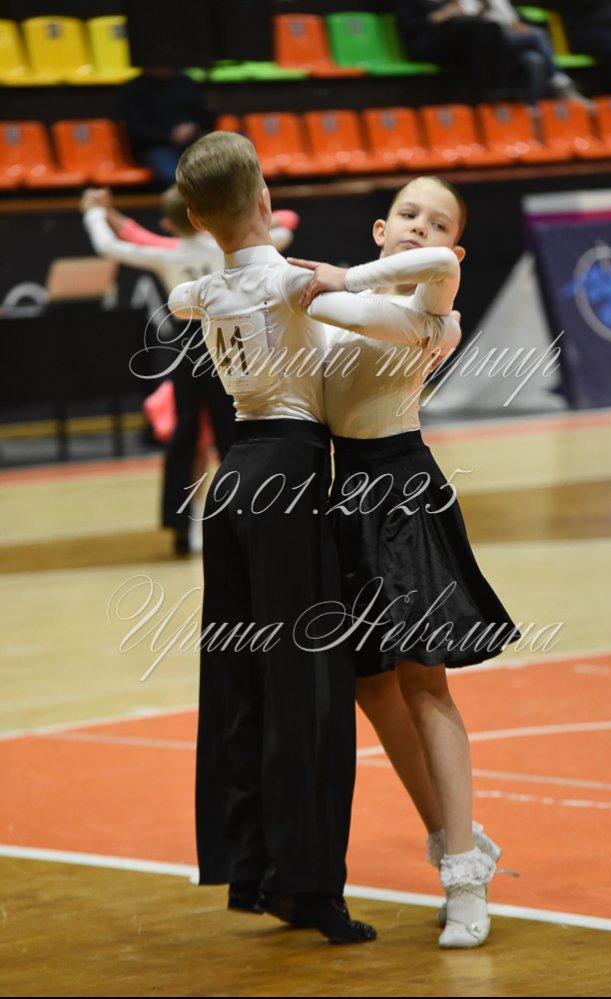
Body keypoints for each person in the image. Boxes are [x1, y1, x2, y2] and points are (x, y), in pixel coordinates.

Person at [167, 132, 465, 944]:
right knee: (311, 690)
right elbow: (402, 289)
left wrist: (218, 269)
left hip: (231, 481)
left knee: (240, 681)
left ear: (196, 218)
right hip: (290, 479)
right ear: (267, 201)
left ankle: (252, 869)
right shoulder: (291, 281)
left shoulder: (206, 290)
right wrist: (341, 277)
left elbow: (183, 297)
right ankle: (309, 887)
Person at [290, 176, 520, 948]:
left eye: (439, 222)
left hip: (403, 495)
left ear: (455, 248)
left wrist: (329, 279)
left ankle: (465, 878)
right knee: (370, 685)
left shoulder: (433, 310)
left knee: (425, 682)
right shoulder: (340, 303)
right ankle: (456, 839)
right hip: (343, 497)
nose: (422, 227)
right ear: (380, 228)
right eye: (409, 214)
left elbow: (365, 296)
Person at [81, 184, 237, 554]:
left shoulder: (167, 253)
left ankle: (185, 526)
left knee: (186, 434)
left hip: (186, 346)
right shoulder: (225, 245)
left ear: (170, 222)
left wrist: (94, 213)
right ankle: (240, 518)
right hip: (227, 342)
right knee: (232, 435)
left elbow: (110, 246)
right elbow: (285, 226)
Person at [456, 0, 588, 105]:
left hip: (510, 38)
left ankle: (533, 108)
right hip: (488, 44)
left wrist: (517, 26)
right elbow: (472, 23)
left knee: (534, 60)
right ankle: (560, 81)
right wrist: (484, 8)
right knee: (538, 35)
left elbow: (511, 20)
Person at [393, 0, 504, 102]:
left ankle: (497, 87)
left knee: (491, 27)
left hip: (450, 41)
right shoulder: (408, 2)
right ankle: (485, 90)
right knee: (477, 31)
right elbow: (408, 27)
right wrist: (442, 15)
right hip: (424, 43)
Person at [119, 69, 212, 188]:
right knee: (172, 175)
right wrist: (171, 135)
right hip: (155, 147)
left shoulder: (187, 82)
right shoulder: (135, 88)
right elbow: (136, 129)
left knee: (217, 169)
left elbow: (204, 115)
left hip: (193, 142)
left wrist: (195, 128)